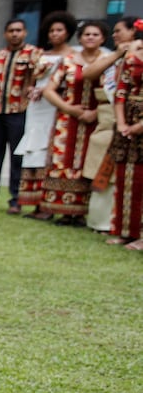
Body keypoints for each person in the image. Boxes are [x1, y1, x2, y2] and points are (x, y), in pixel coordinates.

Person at [39, 20, 105, 224]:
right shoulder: (67, 61)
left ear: (103, 38)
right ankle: (64, 210)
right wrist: (69, 109)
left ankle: (85, 212)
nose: (91, 38)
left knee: (90, 162)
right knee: (63, 162)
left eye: (95, 34)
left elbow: (113, 92)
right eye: (87, 34)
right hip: (67, 120)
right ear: (80, 38)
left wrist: (96, 112)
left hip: (97, 120)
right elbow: (49, 90)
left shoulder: (108, 61)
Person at [0, 19, 42, 212]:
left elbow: (37, 79)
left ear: (25, 33)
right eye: (11, 31)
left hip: (18, 112)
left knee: (17, 157)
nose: (14, 34)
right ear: (5, 34)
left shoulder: (33, 54)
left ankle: (16, 200)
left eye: (18, 30)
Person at [81, 17, 137, 236]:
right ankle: (99, 221)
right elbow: (88, 74)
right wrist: (118, 54)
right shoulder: (109, 56)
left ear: (133, 32)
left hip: (129, 118)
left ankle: (120, 223)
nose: (114, 35)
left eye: (118, 31)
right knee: (101, 166)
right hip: (106, 119)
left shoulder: (139, 56)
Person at [16, 11, 74, 219]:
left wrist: (51, 92)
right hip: (35, 106)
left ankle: (48, 204)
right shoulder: (40, 55)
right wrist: (30, 90)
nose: (55, 34)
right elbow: (31, 79)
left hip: (54, 105)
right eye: (51, 31)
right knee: (32, 149)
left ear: (67, 32)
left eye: (59, 30)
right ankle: (33, 203)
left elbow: (72, 84)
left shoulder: (72, 56)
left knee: (49, 150)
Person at [107, 20, 143, 249]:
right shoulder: (131, 58)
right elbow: (121, 92)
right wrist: (122, 122)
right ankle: (125, 231)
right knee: (126, 178)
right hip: (127, 122)